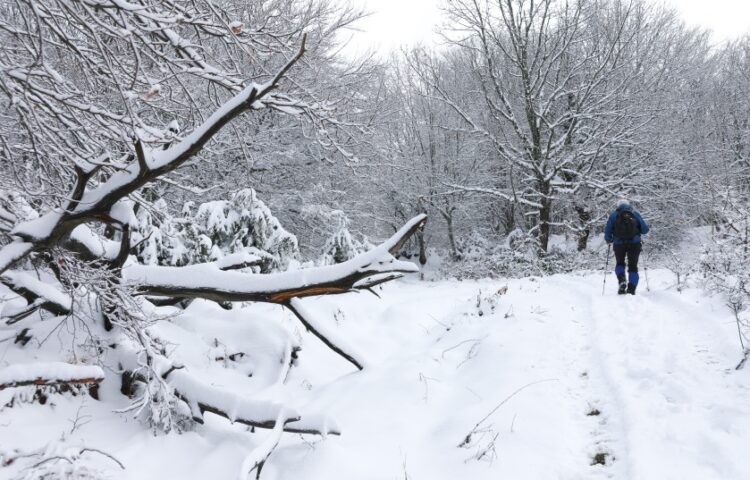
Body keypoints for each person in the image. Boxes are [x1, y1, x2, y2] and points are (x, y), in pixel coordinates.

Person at [604, 199, 650, 295]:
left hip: (619, 244)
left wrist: (609, 239)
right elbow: (645, 230)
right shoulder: (635, 214)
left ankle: (622, 280)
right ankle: (631, 289)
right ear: (628, 205)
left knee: (620, 263)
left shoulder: (613, 215)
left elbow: (607, 231)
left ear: (618, 206)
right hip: (635, 244)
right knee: (633, 266)